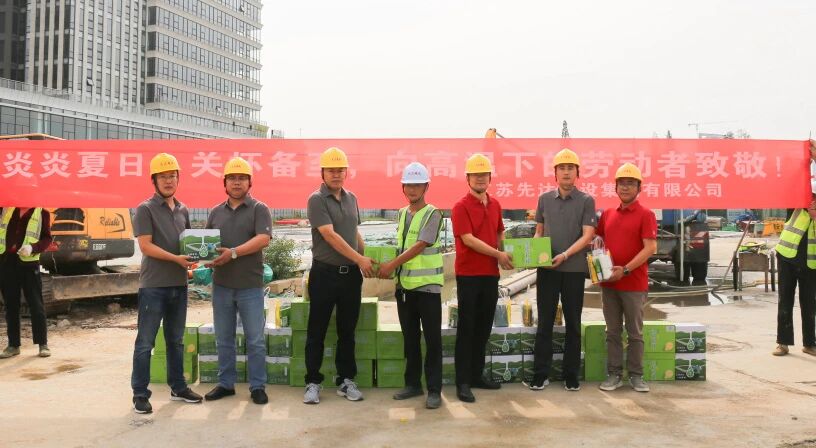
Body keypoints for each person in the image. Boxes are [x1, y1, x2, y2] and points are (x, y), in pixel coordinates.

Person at [130, 153, 201, 414]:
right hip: (154, 286)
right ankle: (140, 394)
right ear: (154, 180)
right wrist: (176, 259)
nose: (169, 181)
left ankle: (178, 387)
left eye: (172, 176)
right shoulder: (145, 209)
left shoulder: (183, 210)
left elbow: (187, 244)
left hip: (179, 285)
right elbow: (146, 246)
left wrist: (194, 259)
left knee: (176, 340)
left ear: (178, 178)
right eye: (163, 177)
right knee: (145, 342)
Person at [303, 147, 374, 404]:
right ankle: (313, 382)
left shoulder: (351, 198)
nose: (336, 174)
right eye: (331, 170)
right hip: (324, 274)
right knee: (317, 331)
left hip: (350, 277)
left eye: (340, 170)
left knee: (347, 331)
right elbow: (330, 235)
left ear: (346, 172)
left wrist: (366, 258)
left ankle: (346, 380)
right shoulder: (316, 200)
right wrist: (359, 259)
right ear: (322, 173)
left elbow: (353, 232)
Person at [524, 148, 595, 392]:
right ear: (555, 173)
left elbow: (587, 235)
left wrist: (565, 255)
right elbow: (539, 232)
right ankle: (540, 374)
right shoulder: (544, 199)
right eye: (561, 168)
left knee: (573, 323)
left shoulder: (586, 200)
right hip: (548, 270)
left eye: (570, 168)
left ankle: (570, 375)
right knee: (544, 322)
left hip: (574, 270)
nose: (566, 172)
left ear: (577, 173)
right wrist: (533, 252)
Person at [203, 157, 273, 405]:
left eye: (242, 178)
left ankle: (257, 386)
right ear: (224, 183)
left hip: (250, 286)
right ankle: (226, 384)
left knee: (255, 340)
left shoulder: (259, 209)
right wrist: (204, 258)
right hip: (222, 285)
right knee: (224, 339)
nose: (236, 182)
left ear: (249, 183)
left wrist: (232, 253)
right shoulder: (215, 212)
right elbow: (208, 244)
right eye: (232, 178)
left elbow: (263, 239)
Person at [378, 162, 444, 410]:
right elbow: (400, 246)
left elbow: (420, 245)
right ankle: (413, 384)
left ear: (426, 187)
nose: (412, 189)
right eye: (408, 185)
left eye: (417, 185)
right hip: (404, 288)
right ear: (403, 188)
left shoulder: (433, 214)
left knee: (433, 341)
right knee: (411, 340)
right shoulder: (402, 214)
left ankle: (434, 390)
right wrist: (382, 263)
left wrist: (391, 265)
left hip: (427, 289)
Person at [451, 153, 514, 403]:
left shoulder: (495, 204)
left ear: (490, 178)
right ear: (467, 178)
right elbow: (468, 239)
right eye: (475, 175)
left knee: (483, 328)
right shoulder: (460, 206)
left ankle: (477, 375)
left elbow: (500, 233)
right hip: (468, 275)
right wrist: (498, 254)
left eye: (484, 174)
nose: (480, 178)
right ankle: (463, 382)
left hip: (490, 275)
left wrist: (508, 254)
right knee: (467, 328)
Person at [595, 163, 657, 392]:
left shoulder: (646, 214)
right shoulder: (608, 214)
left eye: (631, 183)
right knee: (612, 331)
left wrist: (626, 269)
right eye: (621, 183)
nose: (625, 187)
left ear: (639, 188)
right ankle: (614, 374)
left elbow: (650, 248)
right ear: (615, 187)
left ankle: (636, 376)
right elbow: (599, 241)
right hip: (609, 284)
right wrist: (597, 265)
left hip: (633, 284)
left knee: (634, 333)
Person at [0, 207, 52, 359]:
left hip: (29, 263)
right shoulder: (6, 209)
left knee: (36, 304)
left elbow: (47, 239)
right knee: (11, 305)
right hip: (7, 262)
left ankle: (43, 344)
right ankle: (13, 345)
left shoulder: (42, 213)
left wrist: (32, 248)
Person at [773, 184, 816, 357]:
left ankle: (810, 344)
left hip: (810, 262)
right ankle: (782, 343)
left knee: (809, 303)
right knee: (785, 300)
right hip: (787, 257)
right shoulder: (796, 202)